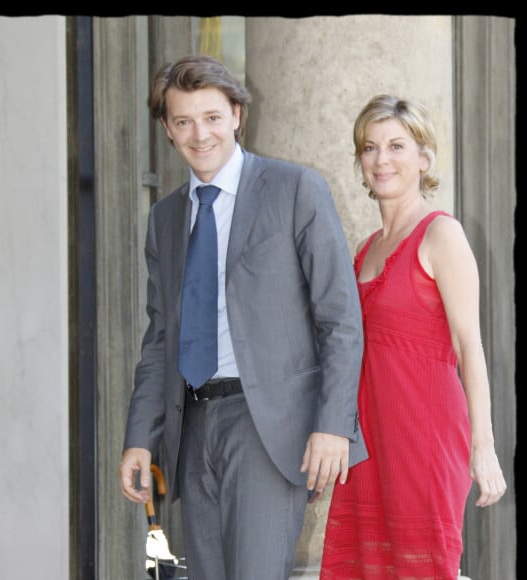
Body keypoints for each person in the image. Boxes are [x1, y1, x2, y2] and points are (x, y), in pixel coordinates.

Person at [118, 54, 367, 580]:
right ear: (167, 128)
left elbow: (340, 319)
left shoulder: (295, 189)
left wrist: (332, 427)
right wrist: (141, 436)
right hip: (191, 425)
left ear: (236, 115)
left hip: (268, 427)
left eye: (211, 117)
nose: (199, 134)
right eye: (182, 121)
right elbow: (160, 337)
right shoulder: (164, 217)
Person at [319, 94, 507, 580]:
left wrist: (483, 447)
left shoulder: (441, 235)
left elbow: (471, 346)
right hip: (366, 447)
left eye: (397, 146)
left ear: (424, 158)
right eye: (369, 147)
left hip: (424, 440)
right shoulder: (363, 250)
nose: (382, 159)